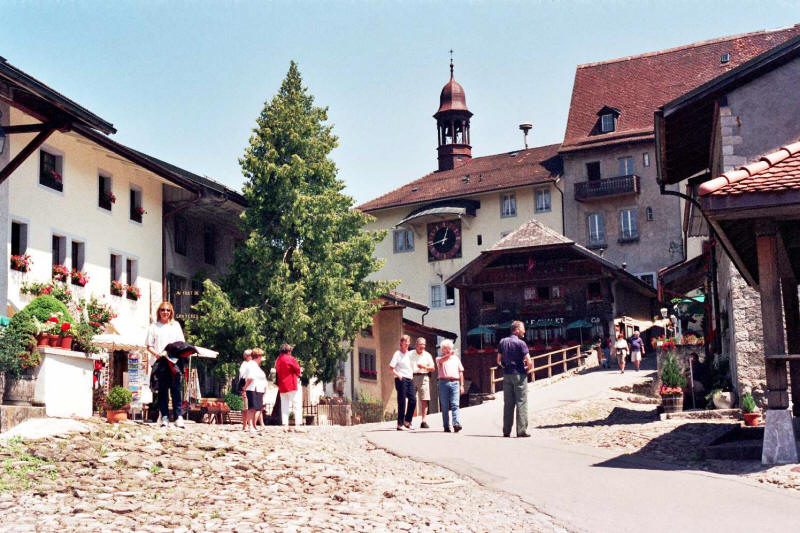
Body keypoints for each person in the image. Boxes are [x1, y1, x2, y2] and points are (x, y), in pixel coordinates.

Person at [146, 302, 186, 428]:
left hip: (174, 361)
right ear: (159, 311)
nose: (165, 312)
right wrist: (157, 354)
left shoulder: (175, 326)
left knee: (176, 390)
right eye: (163, 310)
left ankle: (178, 416)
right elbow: (148, 346)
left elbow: (181, 343)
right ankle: (164, 416)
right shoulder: (153, 327)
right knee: (162, 391)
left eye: (168, 310)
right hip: (160, 362)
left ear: (171, 312)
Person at [497, 321, 533, 438]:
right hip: (519, 374)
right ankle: (521, 430)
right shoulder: (521, 343)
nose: (524, 331)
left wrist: (504, 366)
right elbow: (529, 361)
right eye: (523, 329)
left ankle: (506, 431)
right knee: (521, 402)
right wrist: (527, 369)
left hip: (507, 375)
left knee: (508, 403)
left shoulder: (502, 342)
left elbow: (498, 360)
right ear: (516, 330)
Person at [436, 339, 464, 433]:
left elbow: (460, 372)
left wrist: (462, 385)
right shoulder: (439, 358)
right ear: (442, 349)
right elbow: (442, 360)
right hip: (443, 382)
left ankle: (456, 424)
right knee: (444, 406)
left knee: (455, 404)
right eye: (445, 348)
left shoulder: (456, 358)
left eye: (449, 348)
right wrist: (449, 355)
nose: (447, 350)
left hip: (455, 382)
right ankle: (446, 426)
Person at [389, 334, 416, 430]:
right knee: (402, 401)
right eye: (405, 343)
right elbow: (391, 368)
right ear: (401, 343)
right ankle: (400, 424)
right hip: (401, 378)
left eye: (408, 343)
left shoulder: (409, 354)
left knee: (413, 400)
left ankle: (407, 421)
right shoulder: (397, 354)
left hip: (410, 378)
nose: (407, 345)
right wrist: (399, 375)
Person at [275, 344, 303, 429]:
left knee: (284, 405)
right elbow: (297, 370)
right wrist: (300, 370)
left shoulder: (278, 360)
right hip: (291, 384)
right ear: (289, 351)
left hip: (282, 386)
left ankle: (285, 425)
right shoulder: (290, 358)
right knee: (296, 405)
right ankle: (297, 425)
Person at [411, 337, 435, 429]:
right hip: (412, 377)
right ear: (416, 345)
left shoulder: (427, 355)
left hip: (424, 377)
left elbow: (432, 368)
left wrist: (424, 366)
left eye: (424, 345)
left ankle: (423, 420)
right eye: (421, 345)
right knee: (411, 399)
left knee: (424, 399)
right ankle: (410, 420)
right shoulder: (410, 354)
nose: (423, 347)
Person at [242, 348, 268, 433]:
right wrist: (244, 388)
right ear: (258, 356)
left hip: (257, 389)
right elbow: (250, 378)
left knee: (256, 408)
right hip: (253, 388)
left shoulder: (255, 365)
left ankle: (253, 425)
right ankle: (250, 426)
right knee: (252, 408)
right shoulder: (251, 364)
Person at [239, 349, 253, 431]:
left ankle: (247, 425)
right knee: (246, 408)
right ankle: (246, 425)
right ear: (247, 356)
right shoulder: (245, 365)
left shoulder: (247, 365)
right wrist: (244, 390)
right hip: (246, 387)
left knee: (247, 408)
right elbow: (243, 378)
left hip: (247, 387)